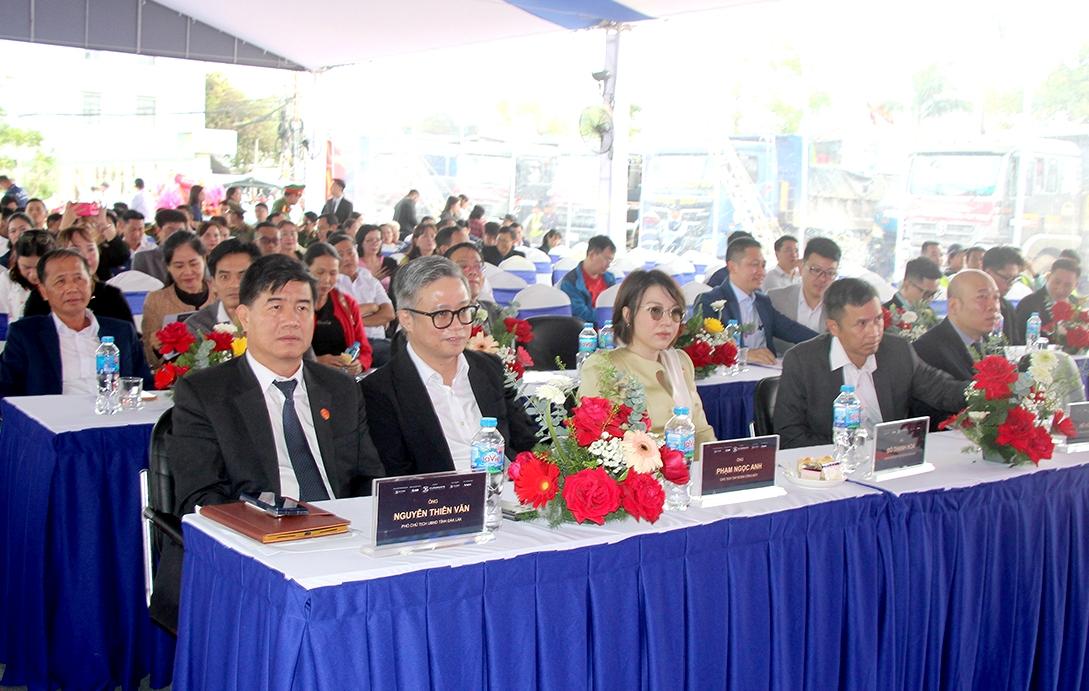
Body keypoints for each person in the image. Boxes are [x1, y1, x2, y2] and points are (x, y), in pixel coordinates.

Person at [153, 253, 386, 630]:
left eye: (302, 307)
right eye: (275, 307)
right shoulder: (205, 393)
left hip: (345, 545)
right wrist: (288, 528)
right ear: (244, 317)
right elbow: (200, 498)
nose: (291, 319)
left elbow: (367, 477)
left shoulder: (340, 388)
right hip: (258, 553)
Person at [361, 256, 538, 476]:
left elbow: (525, 442)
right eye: (441, 314)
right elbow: (396, 478)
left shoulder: (488, 368)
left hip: (505, 491)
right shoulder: (379, 391)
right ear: (406, 319)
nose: (457, 325)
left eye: (464, 311)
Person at [773, 278, 967, 448]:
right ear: (834, 327)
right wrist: (854, 451)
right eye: (862, 324)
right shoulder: (803, 361)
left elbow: (942, 390)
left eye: (878, 319)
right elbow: (790, 434)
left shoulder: (897, 351)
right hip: (832, 463)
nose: (874, 332)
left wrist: (980, 393)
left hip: (891, 457)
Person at [578, 269, 715, 454]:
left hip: (690, 469)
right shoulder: (602, 367)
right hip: (635, 469)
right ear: (628, 315)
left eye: (675, 312)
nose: (667, 322)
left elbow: (701, 432)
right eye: (655, 311)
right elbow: (599, 445)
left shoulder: (681, 361)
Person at [0, 249, 150, 397]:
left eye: (79, 279)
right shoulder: (26, 334)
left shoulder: (122, 332)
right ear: (43, 291)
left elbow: (145, 386)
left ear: (91, 285)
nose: (72, 288)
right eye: (60, 281)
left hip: (112, 410)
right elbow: (6, 390)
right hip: (53, 412)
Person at [694, 236, 817, 364]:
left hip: (767, 370)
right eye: (754, 265)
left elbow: (790, 329)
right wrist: (743, 354)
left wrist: (826, 341)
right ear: (732, 267)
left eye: (763, 265)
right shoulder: (710, 301)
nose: (762, 272)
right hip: (731, 372)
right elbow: (704, 347)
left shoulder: (762, 301)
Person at [912, 270, 1001, 425]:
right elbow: (933, 418)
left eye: (996, 298)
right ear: (954, 305)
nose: (993, 307)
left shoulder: (992, 343)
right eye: (982, 297)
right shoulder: (927, 349)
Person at [23, 226, 135, 324]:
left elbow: (128, 337)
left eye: (90, 249)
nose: (85, 256)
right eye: (75, 250)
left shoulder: (111, 295)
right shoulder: (41, 297)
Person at [141, 232, 214, 365]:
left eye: (194, 264)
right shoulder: (156, 301)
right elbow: (148, 359)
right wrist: (155, 347)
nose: (188, 272)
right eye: (179, 266)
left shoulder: (219, 293)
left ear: (204, 259)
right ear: (168, 267)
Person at [302, 243, 372, 374]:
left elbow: (364, 349)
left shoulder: (347, 304)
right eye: (320, 272)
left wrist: (360, 364)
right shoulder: (292, 306)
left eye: (333, 273)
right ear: (306, 272)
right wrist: (315, 361)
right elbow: (280, 353)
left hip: (341, 377)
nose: (326, 279)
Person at [329, 232, 393, 367]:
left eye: (350, 252)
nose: (347, 258)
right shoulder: (330, 284)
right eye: (340, 254)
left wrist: (354, 322)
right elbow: (337, 320)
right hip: (347, 346)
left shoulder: (370, 279)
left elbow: (389, 314)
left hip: (378, 342)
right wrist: (373, 307)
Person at [767, 237, 840, 350]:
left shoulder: (841, 306)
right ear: (801, 267)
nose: (822, 279)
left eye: (830, 273)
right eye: (816, 270)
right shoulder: (775, 299)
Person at [185, 239, 260, 336]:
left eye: (243, 276)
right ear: (213, 284)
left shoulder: (273, 319)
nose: (234, 285)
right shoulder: (196, 327)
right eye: (224, 277)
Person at [557, 235, 616, 323]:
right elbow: (581, 314)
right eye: (606, 259)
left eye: (611, 260)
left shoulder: (610, 279)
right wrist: (609, 314)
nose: (608, 265)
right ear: (592, 255)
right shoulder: (570, 282)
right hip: (584, 329)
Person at [1015, 257, 1081, 336]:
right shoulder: (1029, 304)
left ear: (1076, 285)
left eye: (1067, 285)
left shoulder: (1076, 305)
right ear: (1048, 276)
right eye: (1057, 282)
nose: (1060, 289)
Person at [446, 242, 503, 330]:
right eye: (463, 266)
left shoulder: (494, 311)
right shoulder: (440, 314)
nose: (473, 272)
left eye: (478, 266)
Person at [0, 230, 53, 321]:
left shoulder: (64, 280)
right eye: (26, 267)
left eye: (39, 267)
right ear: (17, 262)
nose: (34, 274)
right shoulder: (6, 280)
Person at [982, 246, 1026, 345]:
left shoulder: (1007, 307)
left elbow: (1014, 344)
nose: (1010, 284)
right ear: (988, 273)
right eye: (1007, 278)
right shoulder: (971, 305)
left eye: (1014, 279)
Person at [132, 209, 188, 283]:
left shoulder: (193, 257)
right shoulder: (143, 259)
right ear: (158, 230)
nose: (176, 235)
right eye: (171, 230)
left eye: (180, 231)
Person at [356, 224, 398, 290]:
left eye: (378, 240)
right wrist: (372, 281)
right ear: (361, 243)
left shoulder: (389, 263)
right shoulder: (354, 264)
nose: (375, 243)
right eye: (369, 240)